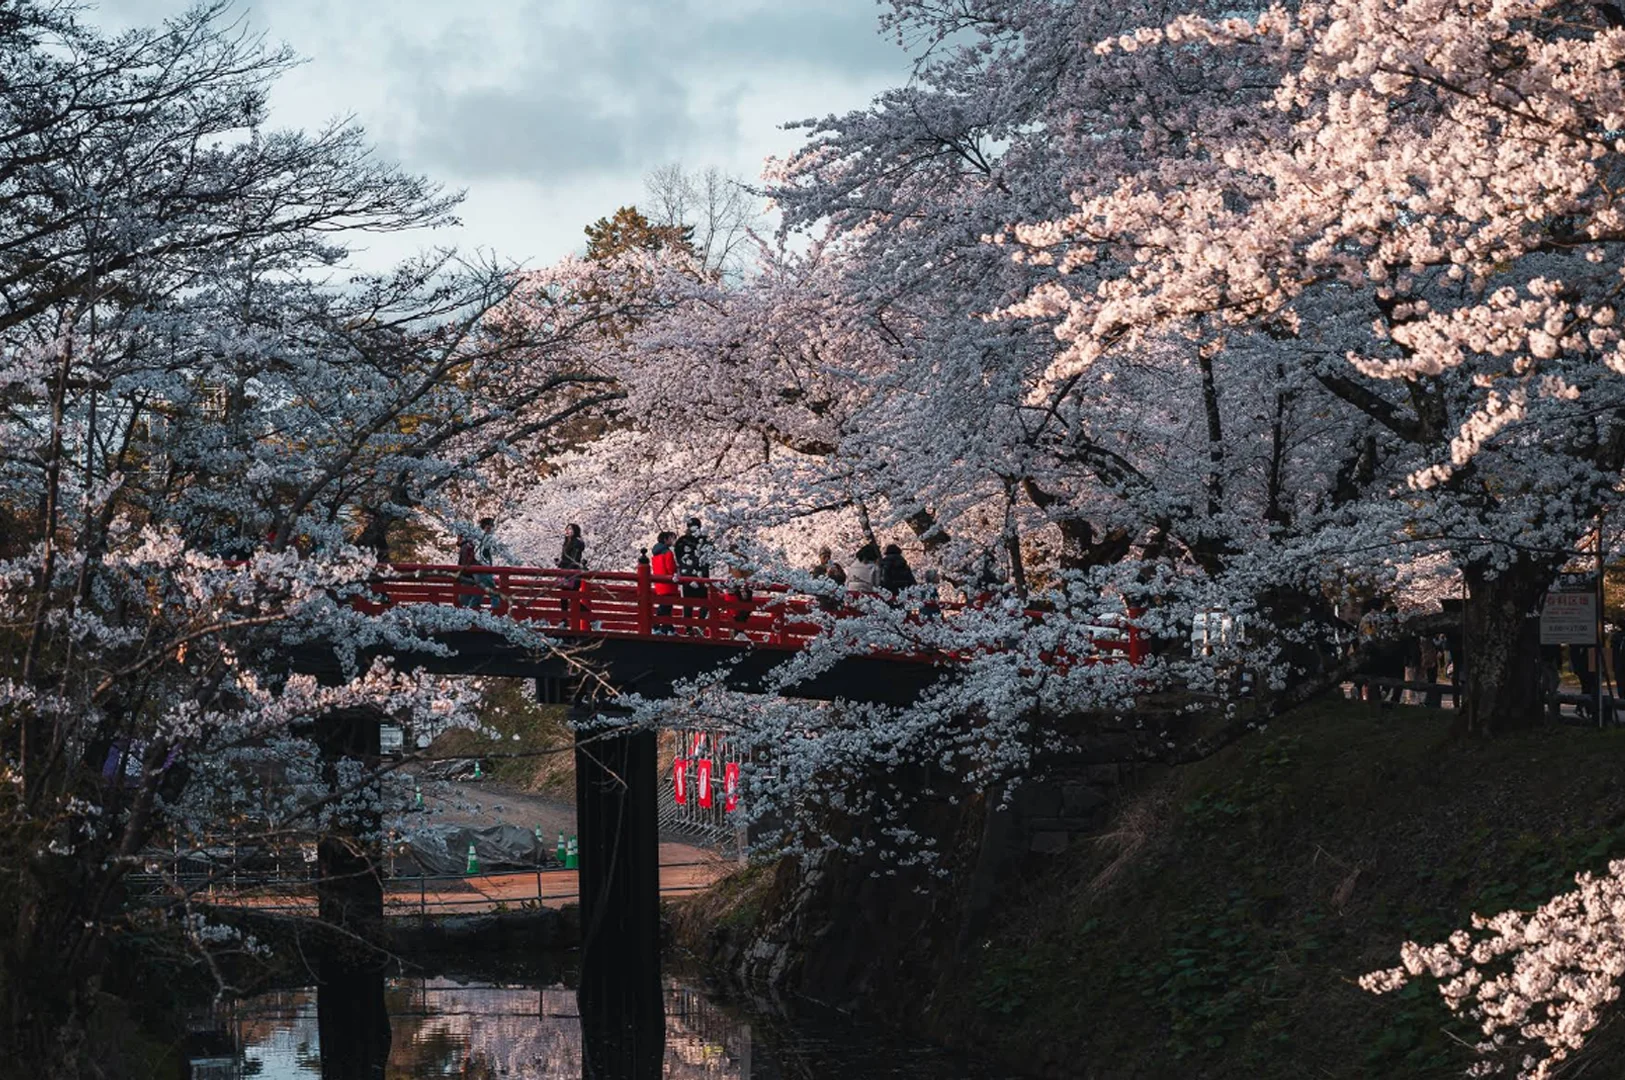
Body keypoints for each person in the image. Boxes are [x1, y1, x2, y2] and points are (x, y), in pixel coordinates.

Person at [674, 517, 713, 631]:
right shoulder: (705, 541)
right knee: (705, 602)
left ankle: (689, 628)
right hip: (702, 575)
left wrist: (685, 566)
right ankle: (700, 625)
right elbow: (711, 557)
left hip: (687, 575)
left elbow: (678, 557)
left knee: (688, 602)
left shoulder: (681, 541)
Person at [457, 516, 497, 609]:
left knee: (470, 596)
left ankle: (468, 612)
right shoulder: (479, 540)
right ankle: (497, 611)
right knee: (491, 593)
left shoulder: (468, 543)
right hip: (479, 569)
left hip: (467, 573)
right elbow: (482, 555)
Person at [650, 530, 679, 633]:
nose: (673, 540)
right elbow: (670, 568)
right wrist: (676, 570)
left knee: (665, 606)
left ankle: (669, 629)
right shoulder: (667, 553)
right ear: (665, 539)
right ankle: (658, 627)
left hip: (660, 583)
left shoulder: (655, 554)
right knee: (666, 607)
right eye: (671, 538)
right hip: (668, 583)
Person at [557, 523, 587, 624]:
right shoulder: (566, 542)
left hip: (572, 572)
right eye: (567, 528)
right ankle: (564, 619)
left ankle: (589, 615)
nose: (568, 530)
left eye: (570, 529)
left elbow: (573, 560)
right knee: (563, 596)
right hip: (565, 571)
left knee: (572, 597)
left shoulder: (577, 543)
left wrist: (563, 564)